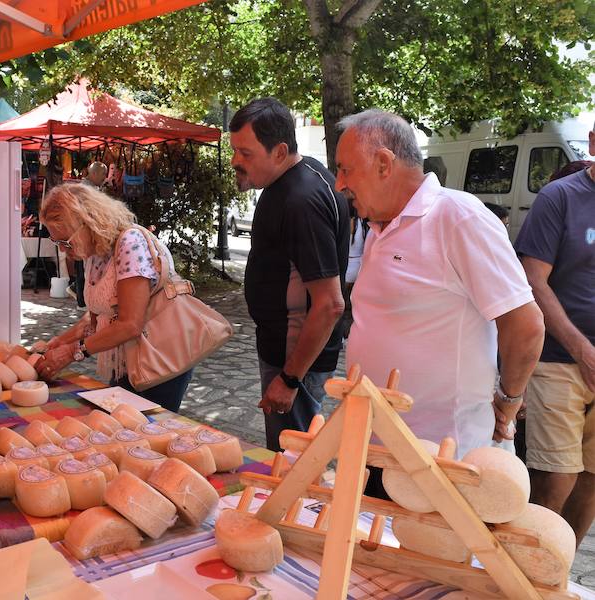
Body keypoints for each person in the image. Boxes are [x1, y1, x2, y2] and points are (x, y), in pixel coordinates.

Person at [336, 109, 544, 475]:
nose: (339, 184)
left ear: (384, 163)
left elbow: (525, 325)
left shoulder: (459, 217)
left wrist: (509, 400)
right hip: (379, 449)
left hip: (444, 460)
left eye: (345, 169)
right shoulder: (381, 224)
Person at [229, 98, 349, 451]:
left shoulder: (301, 200)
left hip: (295, 359)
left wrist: (290, 377)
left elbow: (329, 304)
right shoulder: (297, 177)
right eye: (234, 150)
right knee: (288, 457)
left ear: (280, 152)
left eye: (246, 153)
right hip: (287, 353)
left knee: (289, 464)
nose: (236, 161)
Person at [34, 182, 193, 412]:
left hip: (161, 358)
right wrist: (60, 342)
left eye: (65, 242)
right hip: (128, 359)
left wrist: (72, 351)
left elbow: (129, 324)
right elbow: (98, 316)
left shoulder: (130, 244)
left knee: (144, 431)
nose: (62, 250)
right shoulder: (94, 250)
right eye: (56, 242)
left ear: (87, 225)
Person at [514, 129, 595, 548]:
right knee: (556, 476)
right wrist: (583, 349)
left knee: (591, 480)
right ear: (594, 142)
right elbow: (533, 279)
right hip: (560, 358)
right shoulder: (560, 197)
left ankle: (556, 568)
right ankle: (525, 574)